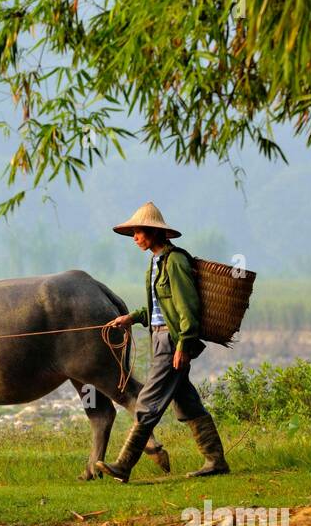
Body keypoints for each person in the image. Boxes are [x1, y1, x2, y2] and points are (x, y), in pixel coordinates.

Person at [97, 202, 230, 481]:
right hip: (160, 337)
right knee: (187, 403)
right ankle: (216, 460)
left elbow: (187, 308)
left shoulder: (176, 261)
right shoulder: (155, 264)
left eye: (138, 231)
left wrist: (183, 345)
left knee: (147, 401)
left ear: (154, 232)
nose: (134, 237)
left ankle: (124, 464)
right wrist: (131, 318)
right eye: (132, 232)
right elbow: (158, 308)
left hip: (171, 341)